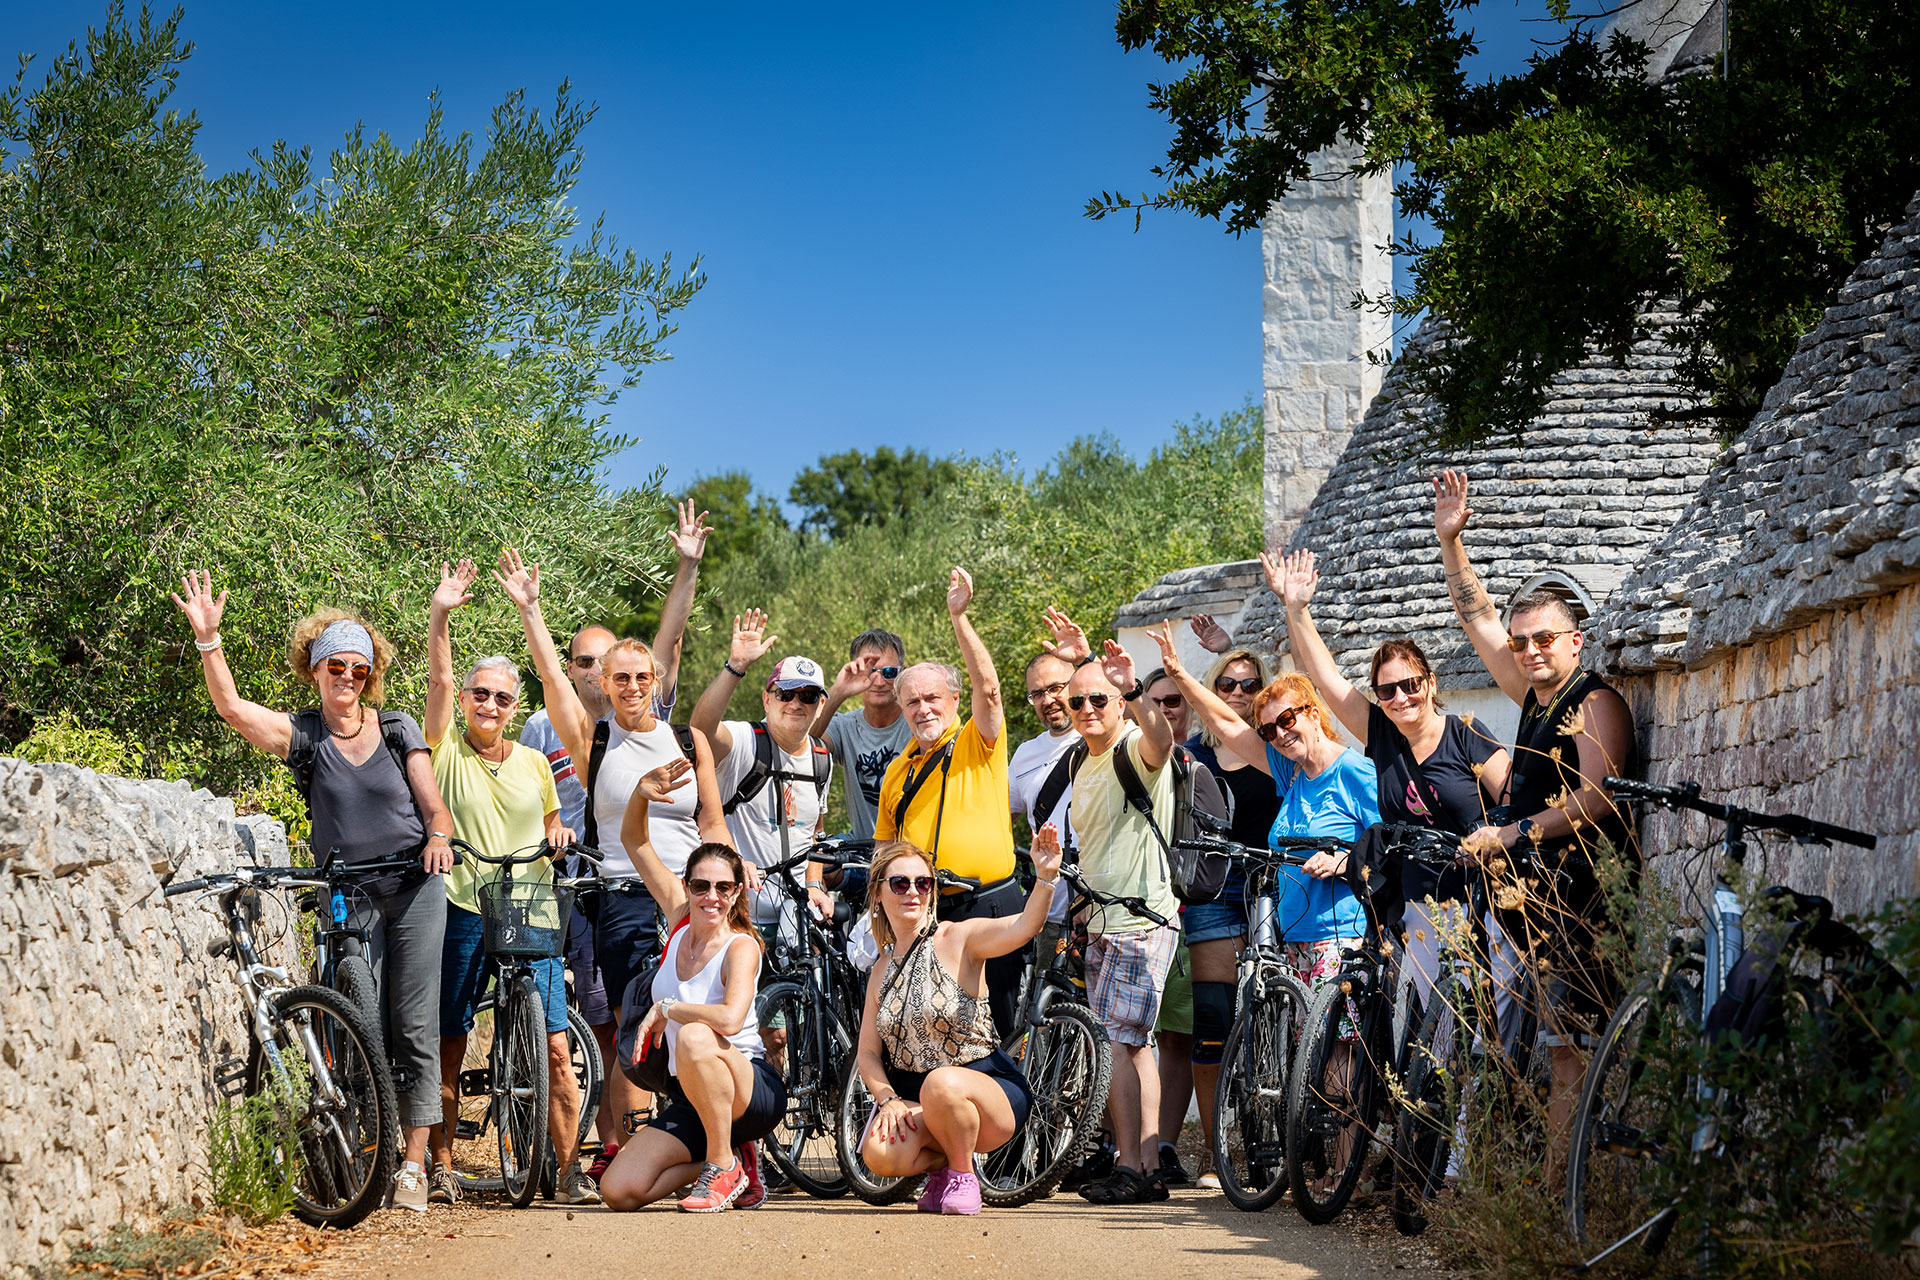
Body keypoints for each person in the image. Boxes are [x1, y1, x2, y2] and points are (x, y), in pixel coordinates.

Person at [171, 571, 455, 1212]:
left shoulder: (398, 728)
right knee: (359, 1020)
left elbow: (433, 806)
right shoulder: (306, 736)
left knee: (415, 1023)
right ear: (315, 669)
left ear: (370, 675)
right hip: (347, 891)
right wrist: (210, 640)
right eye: (336, 666)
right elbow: (232, 710)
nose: (347, 677)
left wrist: (438, 838)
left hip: (415, 886)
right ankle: (364, 1148)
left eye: (359, 668)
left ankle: (412, 1164)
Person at [497, 548, 732, 1169]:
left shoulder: (686, 740)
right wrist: (530, 609)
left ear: (656, 681)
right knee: (634, 1024)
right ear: (604, 683)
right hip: (623, 898)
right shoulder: (594, 741)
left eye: (641, 677)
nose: (631, 687)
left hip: (696, 900)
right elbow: (552, 679)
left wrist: (734, 872)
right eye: (619, 678)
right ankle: (633, 1153)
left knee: (703, 1021)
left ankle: (717, 1151)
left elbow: (712, 821)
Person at [1433, 470, 1637, 1142]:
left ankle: (1557, 1186)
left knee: (1568, 1050)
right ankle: (1531, 1176)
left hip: (1578, 904)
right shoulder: (1534, 697)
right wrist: (1451, 543)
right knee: (1537, 1048)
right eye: (1521, 642)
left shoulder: (1594, 701)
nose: (1528, 651)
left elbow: (1597, 796)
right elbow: (1478, 620)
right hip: (1531, 903)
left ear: (1575, 640)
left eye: (1544, 639)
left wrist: (1512, 832)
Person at [1149, 625, 1381, 1196]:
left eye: (1289, 719)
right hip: (1293, 932)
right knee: (1308, 1055)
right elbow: (1227, 724)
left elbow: (1385, 839)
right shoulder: (1290, 772)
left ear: (1314, 713)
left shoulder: (1354, 770)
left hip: (1342, 931)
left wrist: (1343, 858)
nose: (1280, 733)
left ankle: (1346, 1174)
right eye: (1270, 728)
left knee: (1338, 1053)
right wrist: (1179, 675)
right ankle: (1319, 1166)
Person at [420, 560, 599, 1204]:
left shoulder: (532, 761)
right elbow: (440, 678)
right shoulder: (444, 750)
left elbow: (551, 818)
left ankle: (568, 1171)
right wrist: (441, 614)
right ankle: (442, 1165)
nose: (489, 705)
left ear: (514, 706)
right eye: (480, 694)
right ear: (467, 699)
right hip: (464, 905)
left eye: (501, 698)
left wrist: (559, 832)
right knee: (451, 1038)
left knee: (556, 1046)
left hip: (530, 904)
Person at [1270, 546, 1513, 1006]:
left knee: (1485, 1022)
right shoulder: (1381, 735)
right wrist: (1297, 608)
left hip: (1481, 899)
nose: (1400, 697)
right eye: (1386, 690)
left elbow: (1513, 798)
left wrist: (1492, 835)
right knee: (1438, 1027)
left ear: (1430, 683)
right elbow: (1327, 679)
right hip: (1419, 905)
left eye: (1410, 684)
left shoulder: (1466, 734)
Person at [601, 765, 785, 1212]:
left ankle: (722, 1162)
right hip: (691, 1097)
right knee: (618, 1190)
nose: (711, 897)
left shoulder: (741, 946)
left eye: (724, 887)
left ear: (736, 892)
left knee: (698, 1035)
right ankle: (732, 1164)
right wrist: (640, 794)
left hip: (747, 1091)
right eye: (701, 885)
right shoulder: (680, 917)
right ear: (686, 886)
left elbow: (731, 1020)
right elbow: (635, 842)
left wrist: (667, 1008)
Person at [855, 831, 1060, 1215]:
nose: (912, 892)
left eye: (923, 883)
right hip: (923, 1100)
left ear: (932, 892)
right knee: (879, 1154)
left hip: (988, 1093)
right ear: (878, 893)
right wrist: (888, 1100)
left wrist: (1046, 878)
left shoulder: (958, 938)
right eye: (899, 883)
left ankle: (965, 1175)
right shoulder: (880, 971)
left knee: (941, 1082)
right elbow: (867, 1053)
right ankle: (943, 1167)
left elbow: (1024, 926)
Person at [1055, 641, 1183, 1205]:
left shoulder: (1132, 746)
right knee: (1131, 1045)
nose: (1087, 708)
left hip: (1140, 919)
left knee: (1115, 1042)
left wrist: (1133, 689)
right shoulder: (1081, 759)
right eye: (1077, 700)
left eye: (1099, 699)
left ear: (1119, 702)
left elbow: (1163, 740)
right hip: (1104, 920)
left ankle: (1131, 1165)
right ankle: (1144, 1166)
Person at [872, 568, 1022, 1038]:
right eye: (912, 702)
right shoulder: (898, 770)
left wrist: (960, 618)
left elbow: (990, 689)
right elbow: (884, 850)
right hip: (925, 908)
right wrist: (877, 916)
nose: (923, 709)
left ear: (955, 699)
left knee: (998, 1028)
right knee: (934, 1032)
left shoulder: (978, 741)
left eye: (933, 698)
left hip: (989, 905)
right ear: (902, 709)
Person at [1175, 645, 1283, 1191]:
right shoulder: (1192, 756)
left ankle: (1277, 1140)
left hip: (1275, 885)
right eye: (1227, 683)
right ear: (1211, 689)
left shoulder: (1276, 749)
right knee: (1214, 1024)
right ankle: (1218, 1148)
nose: (1238, 692)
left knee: (1274, 1015)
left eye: (1249, 684)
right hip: (1212, 888)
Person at [689, 612, 835, 932]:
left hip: (796, 917)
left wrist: (815, 885)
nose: (796, 703)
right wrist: (735, 667)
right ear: (767, 700)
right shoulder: (746, 741)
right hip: (738, 916)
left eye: (808, 696)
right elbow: (699, 731)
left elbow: (815, 835)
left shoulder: (821, 759)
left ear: (821, 705)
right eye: (785, 694)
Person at [1140, 664, 1198, 1187]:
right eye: (1154, 701)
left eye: (1174, 701)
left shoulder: (1203, 759)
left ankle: (1164, 1145)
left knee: (1179, 1036)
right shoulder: (1130, 756)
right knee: (1130, 1035)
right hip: (1137, 911)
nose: (1164, 710)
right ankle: (1125, 1147)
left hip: (1194, 910)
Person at [810, 628, 912, 842]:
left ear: (903, 673)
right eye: (870, 672)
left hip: (912, 851)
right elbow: (801, 743)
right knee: (815, 857)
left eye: (889, 672)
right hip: (862, 848)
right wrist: (839, 691)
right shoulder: (845, 727)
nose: (879, 682)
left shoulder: (919, 723)